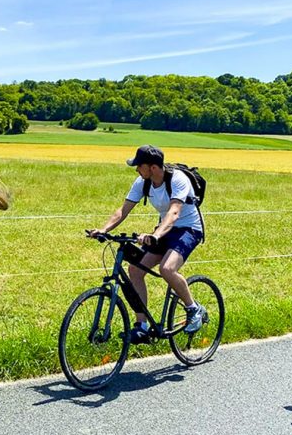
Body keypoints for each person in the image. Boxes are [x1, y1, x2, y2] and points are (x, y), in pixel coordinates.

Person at [88, 145, 205, 344]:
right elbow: (122, 210)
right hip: (164, 229)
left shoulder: (178, 179)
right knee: (135, 270)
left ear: (152, 167)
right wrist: (104, 229)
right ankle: (141, 326)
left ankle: (194, 309)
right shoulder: (143, 182)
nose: (136, 169)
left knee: (167, 269)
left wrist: (155, 235)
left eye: (138, 166)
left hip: (188, 229)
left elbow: (174, 212)